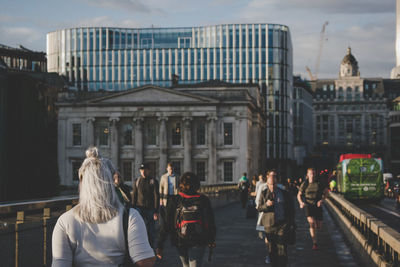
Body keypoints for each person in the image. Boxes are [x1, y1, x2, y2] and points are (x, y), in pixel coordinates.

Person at [52, 157, 155, 267]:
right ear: (110, 183)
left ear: (82, 184)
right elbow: (145, 262)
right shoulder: (130, 217)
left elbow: (60, 263)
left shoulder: (65, 221)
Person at [156, 172, 216, 267]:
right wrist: (212, 239)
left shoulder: (174, 200)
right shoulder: (203, 199)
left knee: (185, 265)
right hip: (199, 239)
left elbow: (166, 224)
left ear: (181, 184)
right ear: (197, 184)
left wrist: (160, 244)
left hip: (180, 239)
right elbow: (210, 221)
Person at [257, 170, 295, 267]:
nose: (272, 185)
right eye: (270, 183)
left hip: (282, 224)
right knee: (272, 249)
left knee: (282, 247)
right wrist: (266, 205)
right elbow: (259, 207)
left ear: (277, 182)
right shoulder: (264, 193)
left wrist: (291, 223)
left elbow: (291, 208)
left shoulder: (284, 193)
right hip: (269, 225)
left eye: (274, 183)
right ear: (267, 182)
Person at [297, 168, 329, 250]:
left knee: (319, 226)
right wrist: (301, 202)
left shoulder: (319, 183)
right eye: (311, 173)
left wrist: (322, 200)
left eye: (314, 173)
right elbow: (299, 195)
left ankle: (316, 236)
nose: (312, 175)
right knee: (311, 223)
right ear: (307, 175)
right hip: (308, 205)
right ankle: (315, 243)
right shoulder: (305, 184)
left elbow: (326, 192)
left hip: (317, 206)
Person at [132, 163, 160, 248]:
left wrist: (156, 211)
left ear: (149, 171)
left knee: (151, 230)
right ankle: (139, 246)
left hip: (150, 209)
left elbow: (156, 196)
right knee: (138, 229)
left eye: (145, 170)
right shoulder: (137, 181)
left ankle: (151, 247)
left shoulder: (153, 181)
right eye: (141, 170)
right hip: (139, 208)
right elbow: (134, 195)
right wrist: (133, 209)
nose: (143, 172)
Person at [255, 172, 270, 264]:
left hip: (278, 217)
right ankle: (269, 254)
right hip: (266, 214)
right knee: (268, 236)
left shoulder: (280, 187)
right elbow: (258, 202)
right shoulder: (262, 186)